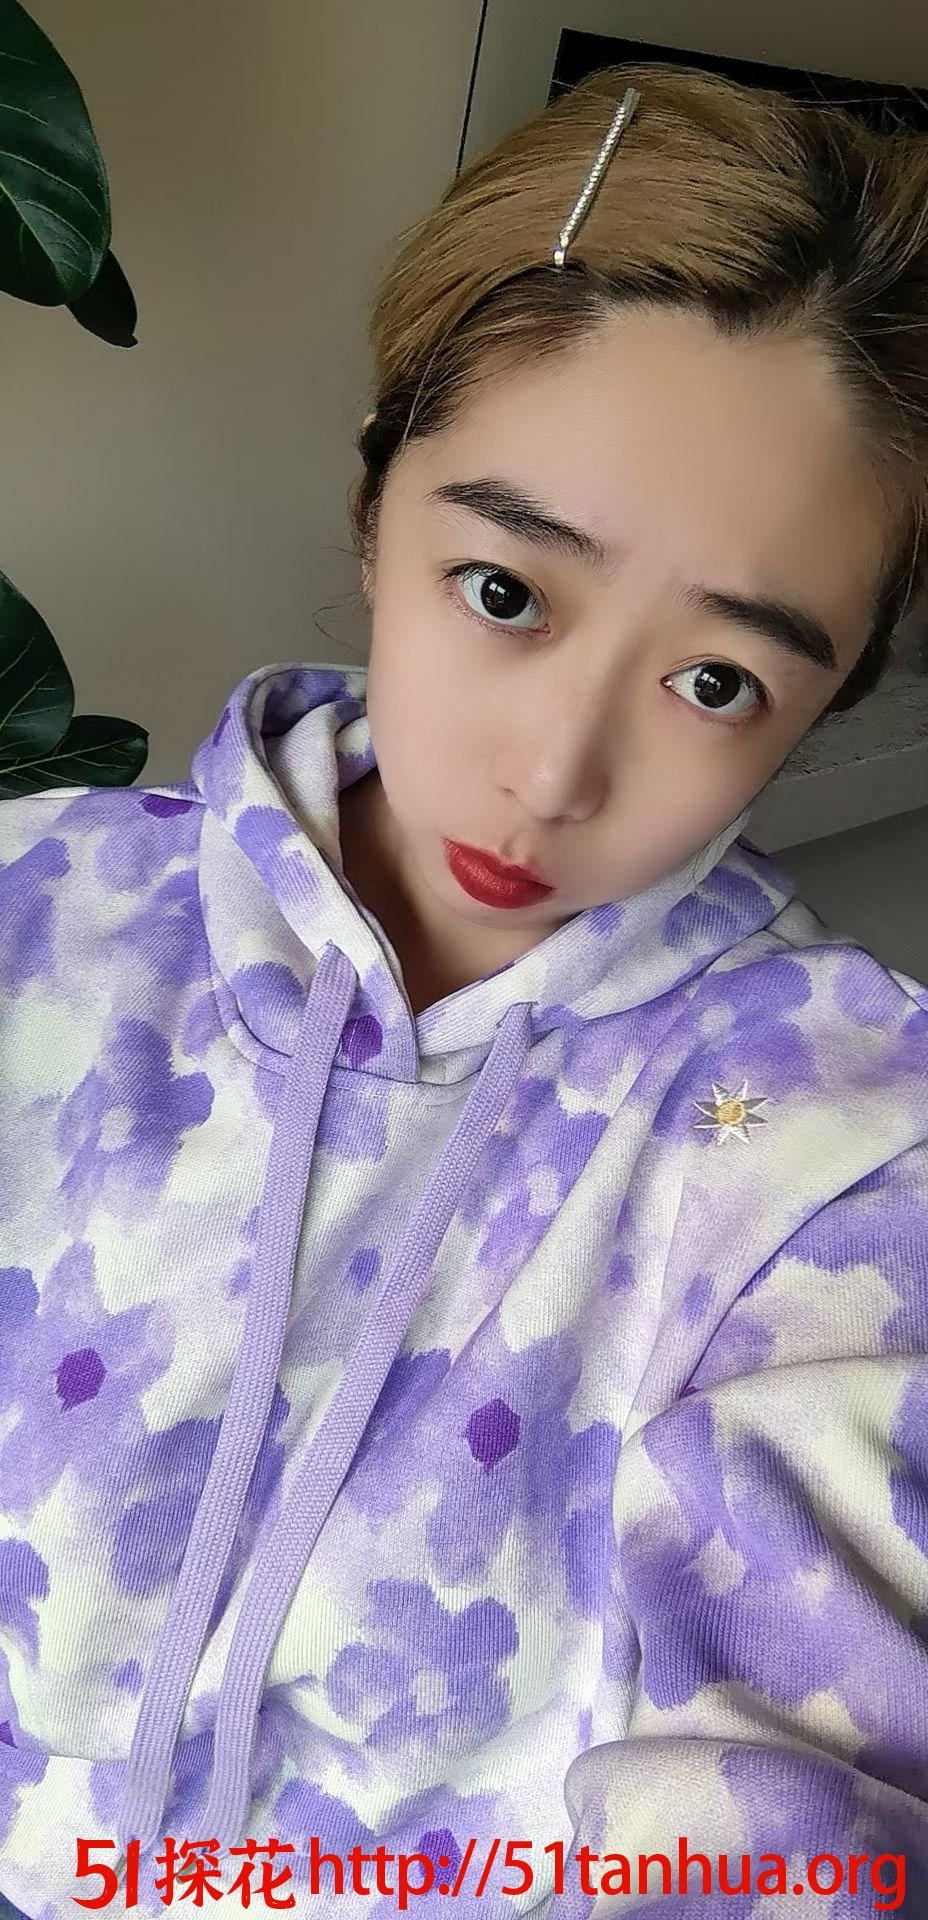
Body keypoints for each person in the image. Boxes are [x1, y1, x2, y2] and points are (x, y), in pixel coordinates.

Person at [1, 58, 927, 1920]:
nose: (555, 773)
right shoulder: (35, 905)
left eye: (722, 682)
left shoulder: (839, 1147)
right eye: (506, 590)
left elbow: (796, 1800)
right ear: (376, 501)